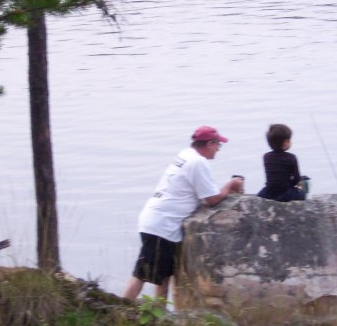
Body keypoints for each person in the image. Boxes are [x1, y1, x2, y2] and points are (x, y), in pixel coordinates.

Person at [123, 126, 244, 302]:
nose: (218, 149)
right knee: (142, 274)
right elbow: (211, 199)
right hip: (161, 225)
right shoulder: (198, 162)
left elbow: (197, 194)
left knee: (164, 275)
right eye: (218, 145)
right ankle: (118, 311)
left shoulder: (186, 155)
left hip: (158, 221)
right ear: (210, 143)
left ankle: (159, 318)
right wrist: (231, 185)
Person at [257, 123, 308, 202]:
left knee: (259, 196)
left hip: (270, 192)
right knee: (302, 193)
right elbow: (296, 180)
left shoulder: (266, 157)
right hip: (285, 193)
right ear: (285, 142)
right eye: (290, 140)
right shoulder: (291, 157)